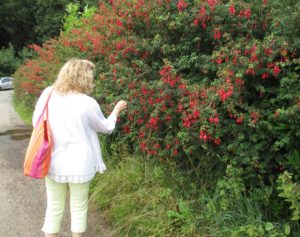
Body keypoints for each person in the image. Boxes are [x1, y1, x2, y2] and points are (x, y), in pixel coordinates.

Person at [32, 58, 127, 237]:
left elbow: (36, 122)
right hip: (80, 163)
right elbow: (105, 128)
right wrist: (116, 111)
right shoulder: (87, 103)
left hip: (52, 160)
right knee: (79, 207)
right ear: (84, 77)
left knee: (53, 207)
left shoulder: (48, 94)